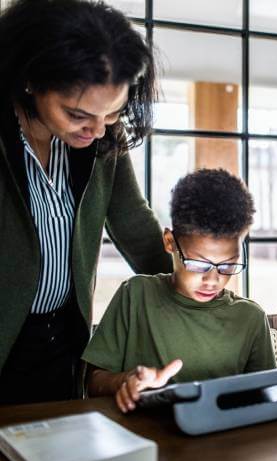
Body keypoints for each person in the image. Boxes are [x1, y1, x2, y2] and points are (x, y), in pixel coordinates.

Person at [0, 0, 172, 404]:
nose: (97, 131)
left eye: (113, 113)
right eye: (78, 114)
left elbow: (135, 225)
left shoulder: (101, 140)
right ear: (30, 80)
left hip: (65, 342)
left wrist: (189, 290)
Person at [82, 169, 275, 413]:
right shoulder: (136, 296)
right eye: (198, 264)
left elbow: (268, 398)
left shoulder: (250, 318)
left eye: (227, 265)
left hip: (223, 445)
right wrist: (127, 381)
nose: (212, 280)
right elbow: (93, 382)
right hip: (147, 439)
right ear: (169, 242)